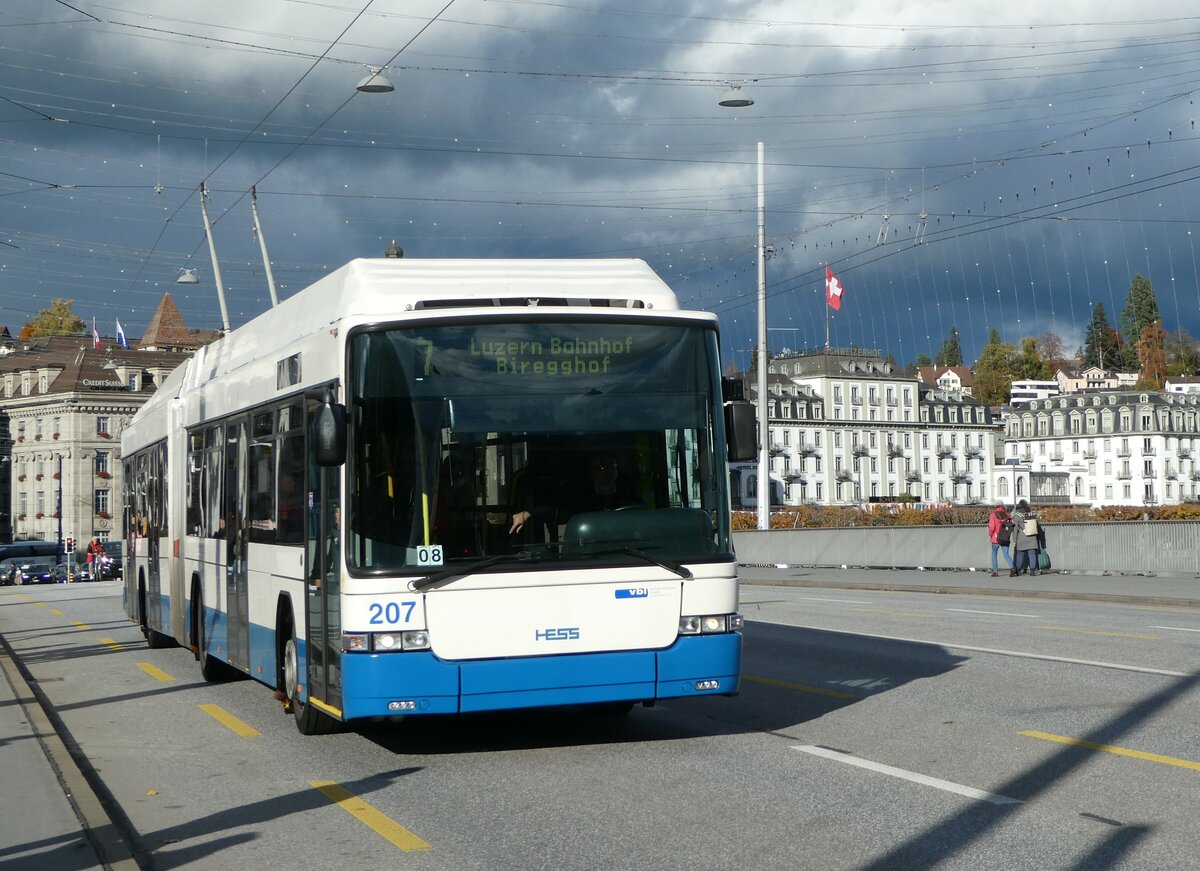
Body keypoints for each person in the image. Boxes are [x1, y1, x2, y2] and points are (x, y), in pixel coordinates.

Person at [510, 451, 637, 535]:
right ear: (593, 473)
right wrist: (528, 514)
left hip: (628, 553)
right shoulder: (582, 499)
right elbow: (557, 512)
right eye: (601, 468)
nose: (607, 472)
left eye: (612, 467)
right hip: (591, 551)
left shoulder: (629, 497)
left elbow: (643, 517)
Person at [1010, 499, 1042, 576]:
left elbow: (1015, 528)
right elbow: (1036, 526)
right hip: (1032, 537)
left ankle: (1018, 570)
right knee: (1032, 554)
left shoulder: (1017, 516)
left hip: (1022, 538)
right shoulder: (1030, 514)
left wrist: (1014, 539)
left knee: (1020, 554)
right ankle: (1032, 570)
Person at [987, 503, 1015, 577]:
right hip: (1005, 537)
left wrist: (990, 534)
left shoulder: (993, 514)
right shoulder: (1007, 514)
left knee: (994, 554)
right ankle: (1012, 568)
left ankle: (995, 572)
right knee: (1006, 554)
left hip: (995, 538)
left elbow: (992, 527)